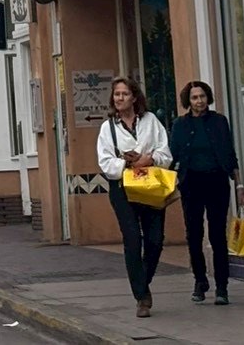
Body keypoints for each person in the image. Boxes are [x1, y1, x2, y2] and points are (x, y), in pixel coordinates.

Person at [97, 76, 173, 319]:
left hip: (150, 186)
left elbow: (165, 151)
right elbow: (105, 161)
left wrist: (150, 159)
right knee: (132, 239)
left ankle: (143, 280)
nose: (119, 98)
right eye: (116, 95)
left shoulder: (151, 121)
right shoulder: (108, 128)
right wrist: (127, 164)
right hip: (123, 188)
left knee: (155, 240)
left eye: (124, 94)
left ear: (134, 97)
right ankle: (142, 297)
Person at [169, 80, 242, 306]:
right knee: (194, 234)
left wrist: (239, 185)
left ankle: (222, 286)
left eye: (201, 96)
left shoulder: (219, 122)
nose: (199, 101)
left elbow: (230, 155)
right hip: (191, 183)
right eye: (194, 98)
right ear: (188, 101)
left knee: (218, 235)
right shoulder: (180, 125)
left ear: (207, 98)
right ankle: (200, 280)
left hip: (217, 180)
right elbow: (173, 156)